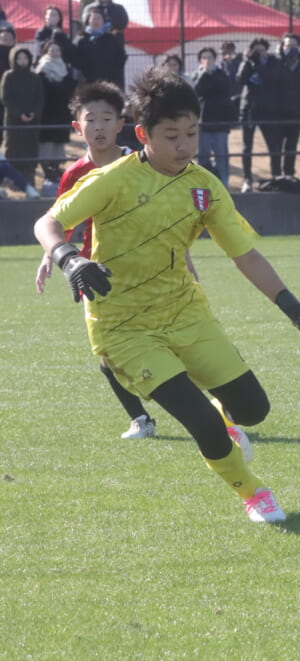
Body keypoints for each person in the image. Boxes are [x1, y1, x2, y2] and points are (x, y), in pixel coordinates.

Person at [33, 68, 300, 522]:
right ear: (143, 135)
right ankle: (254, 493)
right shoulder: (113, 179)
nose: (184, 145)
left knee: (253, 409)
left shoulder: (205, 186)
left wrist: (294, 309)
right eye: (171, 136)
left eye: (191, 133)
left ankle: (224, 419)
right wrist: (69, 259)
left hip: (185, 312)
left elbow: (245, 255)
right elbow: (48, 222)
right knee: (204, 424)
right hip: (123, 327)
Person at [34, 81, 165, 438]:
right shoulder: (74, 174)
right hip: (95, 271)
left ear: (121, 123)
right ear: (77, 127)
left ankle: (214, 407)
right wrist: (48, 258)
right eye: (90, 119)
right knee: (108, 354)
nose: (99, 126)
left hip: (146, 267)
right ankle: (141, 419)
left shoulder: (141, 163)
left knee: (168, 339)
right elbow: (60, 222)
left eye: (107, 118)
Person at [237, 37, 283, 192]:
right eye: (256, 51)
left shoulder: (273, 62)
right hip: (249, 108)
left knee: (274, 145)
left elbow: (271, 78)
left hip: (268, 110)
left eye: (262, 50)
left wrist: (257, 64)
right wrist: (247, 61)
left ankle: (276, 176)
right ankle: (247, 179)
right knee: (247, 147)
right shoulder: (248, 62)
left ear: (267, 50)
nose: (259, 53)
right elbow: (240, 79)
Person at [34, 40, 78, 191]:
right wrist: (58, 88)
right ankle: (47, 172)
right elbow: (44, 90)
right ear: (46, 52)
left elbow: (69, 90)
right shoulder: (41, 70)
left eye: (57, 50)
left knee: (59, 143)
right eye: (51, 50)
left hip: (61, 112)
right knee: (46, 143)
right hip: (46, 112)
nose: (54, 52)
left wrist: (62, 87)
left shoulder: (66, 70)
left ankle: (56, 170)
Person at [2, 47, 44, 188]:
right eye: (19, 58)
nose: (22, 61)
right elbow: (6, 98)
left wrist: (34, 113)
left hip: (32, 121)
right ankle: (12, 180)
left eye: (25, 58)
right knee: (13, 148)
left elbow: (40, 99)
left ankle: (29, 178)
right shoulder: (9, 76)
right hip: (13, 120)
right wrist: (19, 114)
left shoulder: (35, 77)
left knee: (30, 149)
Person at [193, 46, 234, 186]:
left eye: (209, 57)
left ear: (215, 59)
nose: (207, 60)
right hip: (203, 122)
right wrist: (204, 74)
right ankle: (201, 185)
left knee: (221, 155)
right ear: (200, 60)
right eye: (204, 57)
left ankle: (224, 184)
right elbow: (197, 91)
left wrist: (211, 75)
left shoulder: (222, 74)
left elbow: (223, 90)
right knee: (203, 156)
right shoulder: (197, 75)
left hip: (220, 122)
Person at [72, 6, 126, 89]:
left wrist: (114, 72)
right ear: (88, 21)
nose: (96, 21)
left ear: (103, 21)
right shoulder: (81, 39)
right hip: (87, 82)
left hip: (109, 82)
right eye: (93, 18)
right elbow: (75, 59)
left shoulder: (111, 38)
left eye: (98, 18)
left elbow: (121, 56)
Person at [277, 44, 300, 178]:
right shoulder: (279, 67)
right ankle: (277, 173)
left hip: (296, 112)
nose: (292, 59)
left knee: (292, 145)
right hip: (279, 113)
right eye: (289, 56)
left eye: (294, 56)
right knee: (277, 146)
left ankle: (289, 172)